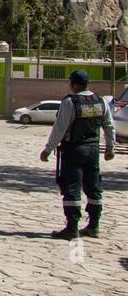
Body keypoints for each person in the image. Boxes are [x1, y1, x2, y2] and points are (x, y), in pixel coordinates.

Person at [40, 69, 115, 239]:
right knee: (94, 187)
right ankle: (94, 225)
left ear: (73, 84)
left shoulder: (70, 102)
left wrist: (48, 149)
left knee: (72, 187)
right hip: (93, 149)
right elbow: (109, 126)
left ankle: (72, 227)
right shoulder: (100, 101)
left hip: (74, 149)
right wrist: (110, 148)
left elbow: (60, 129)